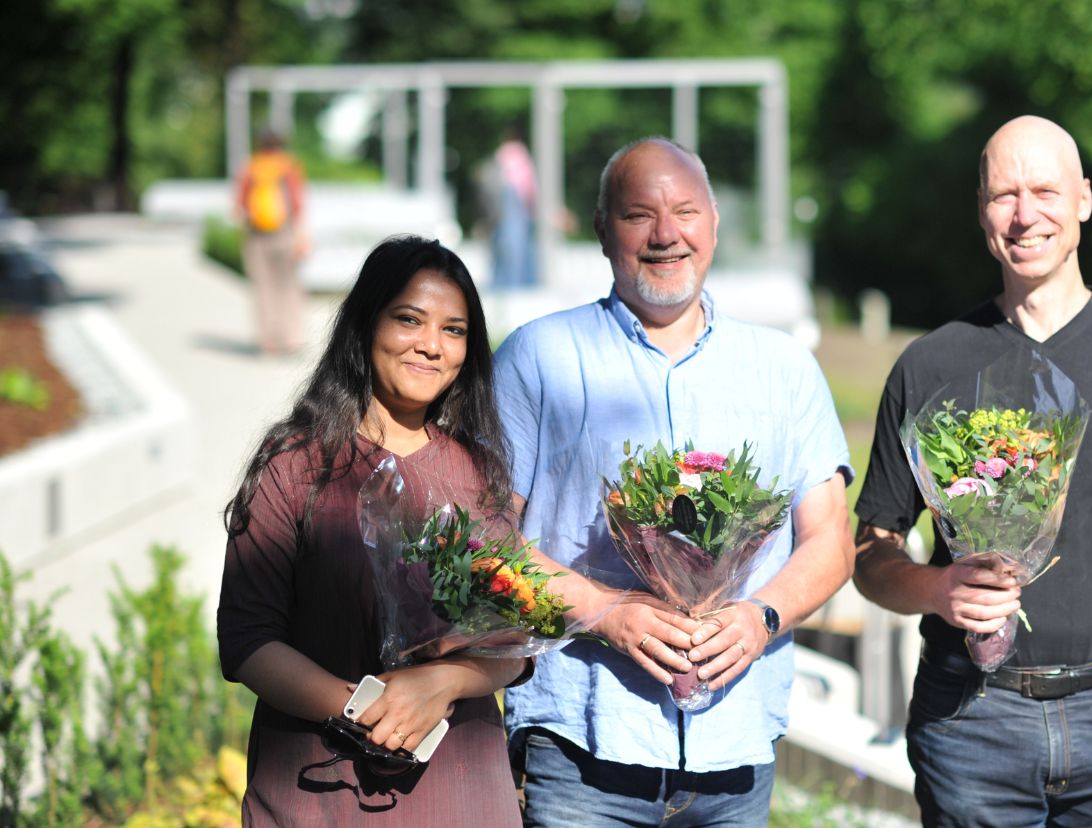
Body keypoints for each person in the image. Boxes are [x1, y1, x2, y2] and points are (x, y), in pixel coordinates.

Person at [851, 115, 1092, 827]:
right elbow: (870, 553)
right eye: (1004, 195)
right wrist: (936, 589)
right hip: (971, 721)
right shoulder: (929, 365)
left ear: (1083, 199)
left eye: (1046, 191)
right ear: (982, 211)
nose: (1026, 215)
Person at [493, 137, 854, 827]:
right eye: (638, 215)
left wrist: (760, 617)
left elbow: (831, 540)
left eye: (685, 211)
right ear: (602, 230)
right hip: (582, 752)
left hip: (735, 751)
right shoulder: (538, 357)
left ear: (714, 224)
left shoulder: (784, 368)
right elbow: (487, 540)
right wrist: (604, 613)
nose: (666, 234)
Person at [217, 236, 530, 825]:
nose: (431, 346)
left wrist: (442, 680)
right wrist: (371, 710)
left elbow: (516, 646)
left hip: (462, 793)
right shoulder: (296, 463)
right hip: (320, 791)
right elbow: (248, 639)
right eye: (409, 319)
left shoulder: (478, 470)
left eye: (455, 330)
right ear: (366, 324)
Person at [235, 131, 310, 355]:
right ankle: (291, 340)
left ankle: (267, 342)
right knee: (287, 287)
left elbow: (239, 206)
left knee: (263, 288)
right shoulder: (288, 166)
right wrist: (300, 236)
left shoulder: (251, 167)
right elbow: (297, 204)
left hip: (257, 237)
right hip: (285, 234)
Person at [477, 127, 539, 289]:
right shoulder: (519, 154)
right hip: (516, 206)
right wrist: (532, 208)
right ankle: (517, 283)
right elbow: (527, 186)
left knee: (501, 246)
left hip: (499, 209)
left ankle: (499, 282)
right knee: (517, 248)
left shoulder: (499, 155)